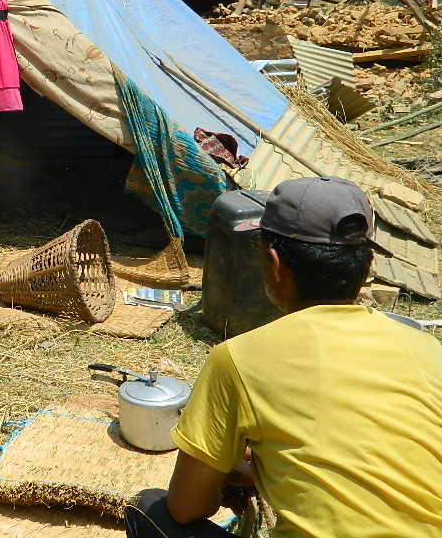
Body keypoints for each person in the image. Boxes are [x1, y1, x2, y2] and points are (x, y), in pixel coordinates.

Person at [124, 176, 442, 538]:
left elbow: (186, 508)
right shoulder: (428, 349)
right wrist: (261, 473)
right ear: (367, 268)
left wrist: (224, 475)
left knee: (148, 509)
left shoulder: (239, 359)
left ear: (274, 264)